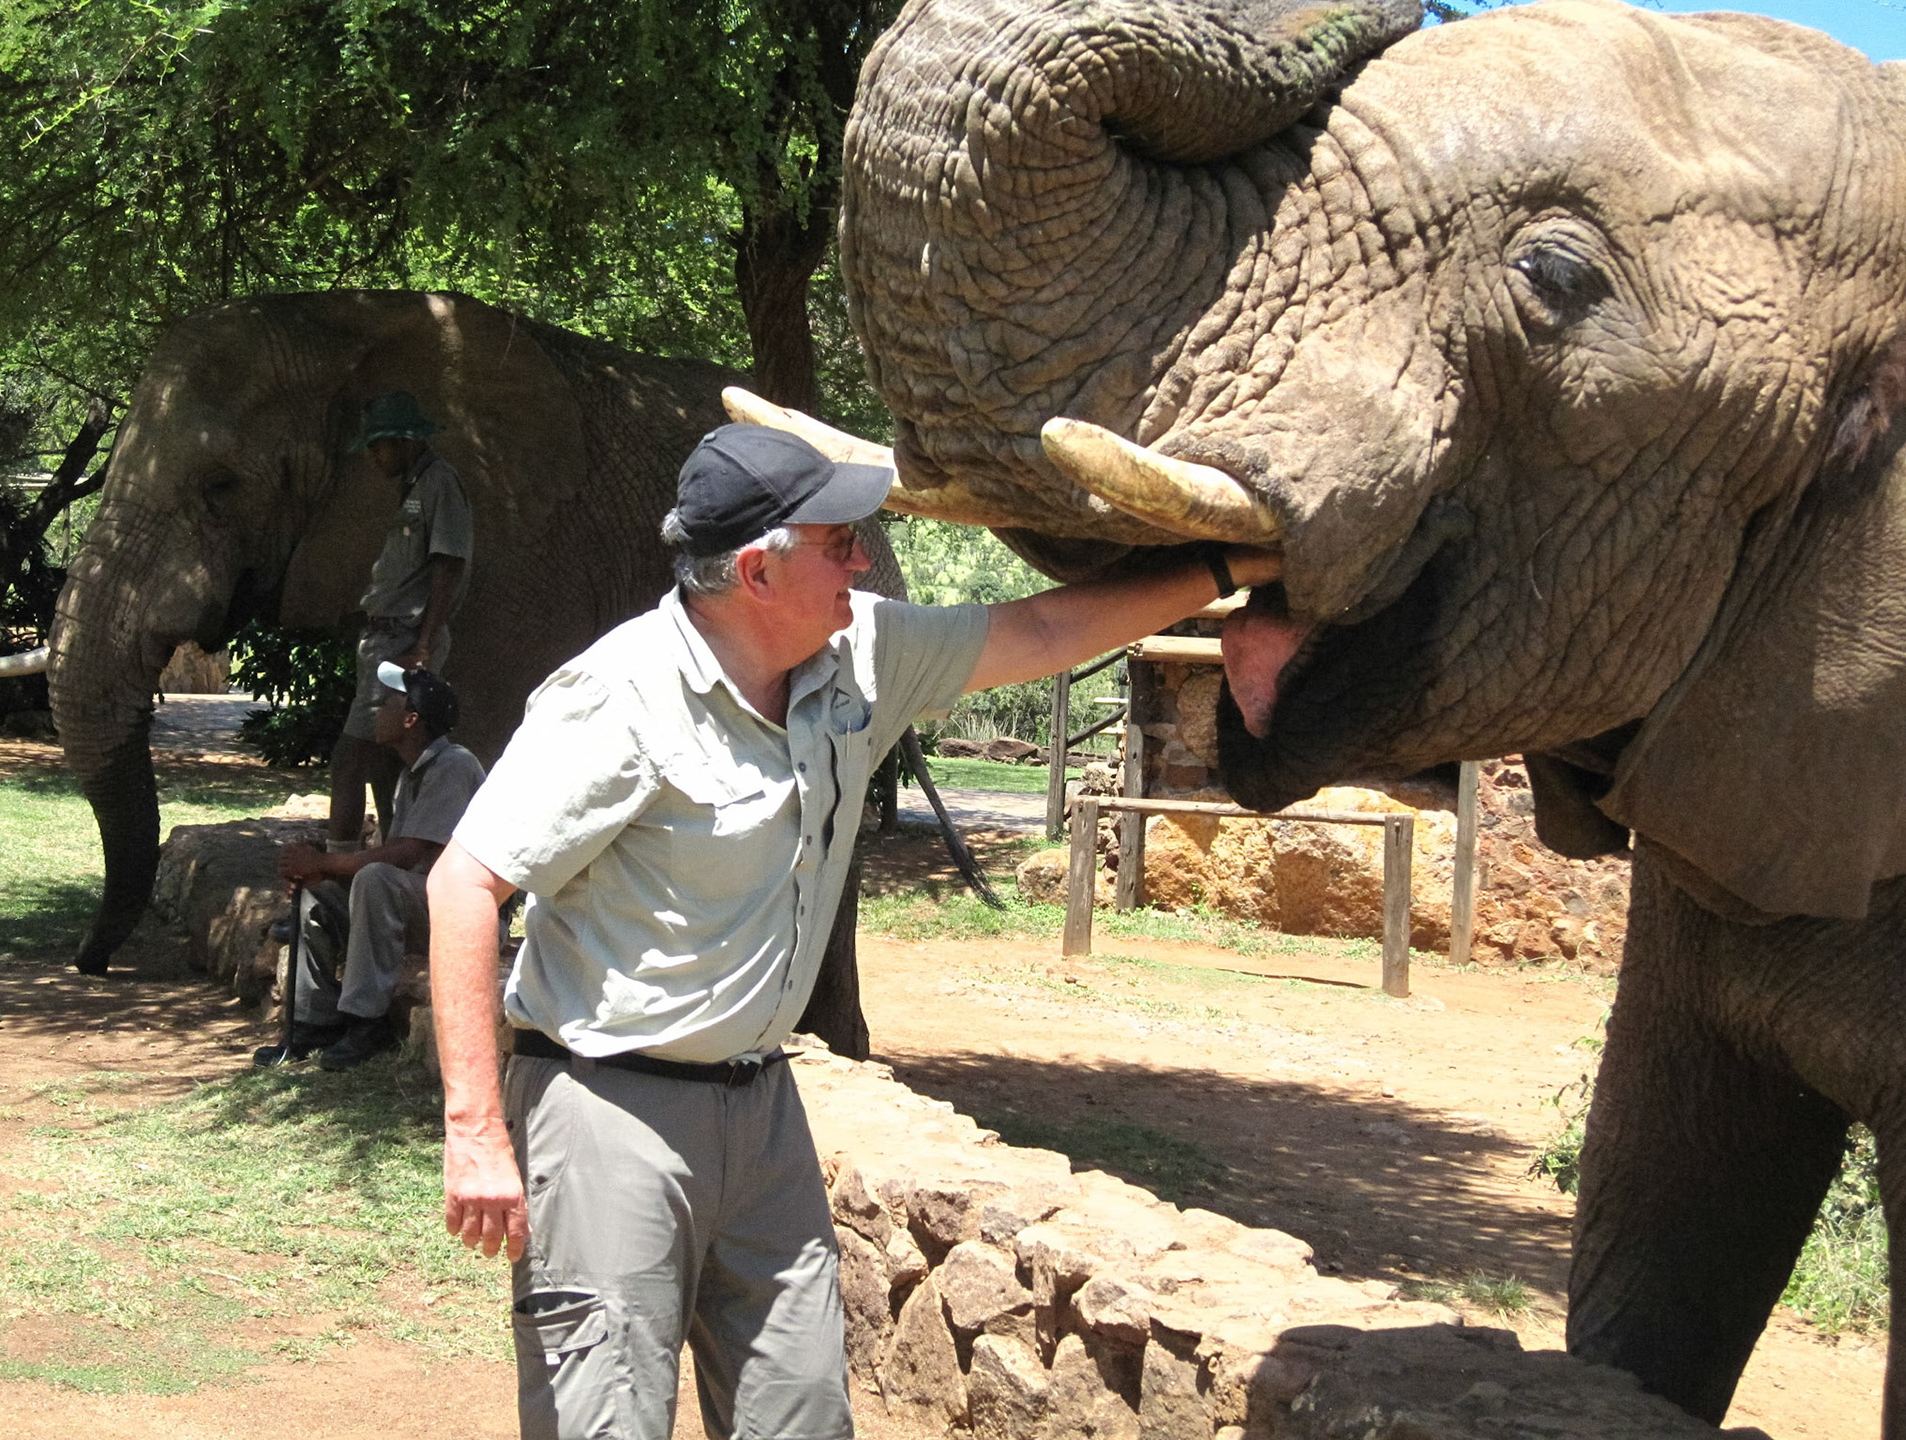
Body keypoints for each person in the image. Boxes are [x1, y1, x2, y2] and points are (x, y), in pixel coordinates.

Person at [425, 423, 1278, 1440]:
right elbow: (463, 885)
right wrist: (476, 1133)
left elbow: (1046, 634)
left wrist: (1228, 564)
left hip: (764, 1112)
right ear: (755, 571)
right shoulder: (619, 699)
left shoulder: (862, 648)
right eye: (838, 541)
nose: (863, 560)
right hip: (609, 1115)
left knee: (801, 1418)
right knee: (602, 1422)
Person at [259, 662, 484, 1072]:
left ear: (412, 719)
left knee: (375, 877)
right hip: (418, 903)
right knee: (316, 895)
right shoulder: (411, 773)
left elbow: (407, 854)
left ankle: (367, 1022)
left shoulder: (454, 765)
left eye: (390, 702)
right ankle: (314, 1021)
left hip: (460, 914)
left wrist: (325, 861)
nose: (378, 709)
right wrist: (320, 873)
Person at [329, 391, 473, 852]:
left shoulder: (439, 483)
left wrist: (425, 644)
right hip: (384, 637)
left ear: (405, 441)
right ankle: (391, 861)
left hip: (403, 639)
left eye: (378, 445)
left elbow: (449, 563)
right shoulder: (414, 485)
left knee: (350, 756)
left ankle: (336, 867)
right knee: (386, 760)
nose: (373, 456)